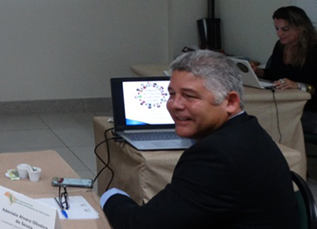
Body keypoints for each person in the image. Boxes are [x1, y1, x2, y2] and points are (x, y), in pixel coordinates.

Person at [101, 50, 298, 229]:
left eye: (189, 96)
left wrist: (110, 196)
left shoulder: (215, 156)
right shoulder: (248, 129)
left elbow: (140, 225)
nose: (175, 105)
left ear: (230, 102)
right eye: (171, 94)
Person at [253, 6, 317, 132]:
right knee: (256, 114)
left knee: (268, 120)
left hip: (310, 109)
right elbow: (274, 74)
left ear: (301, 28)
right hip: (285, 104)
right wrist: (257, 72)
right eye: (277, 29)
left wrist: (298, 85)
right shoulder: (281, 46)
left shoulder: (314, 50)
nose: (279, 33)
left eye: (285, 29)